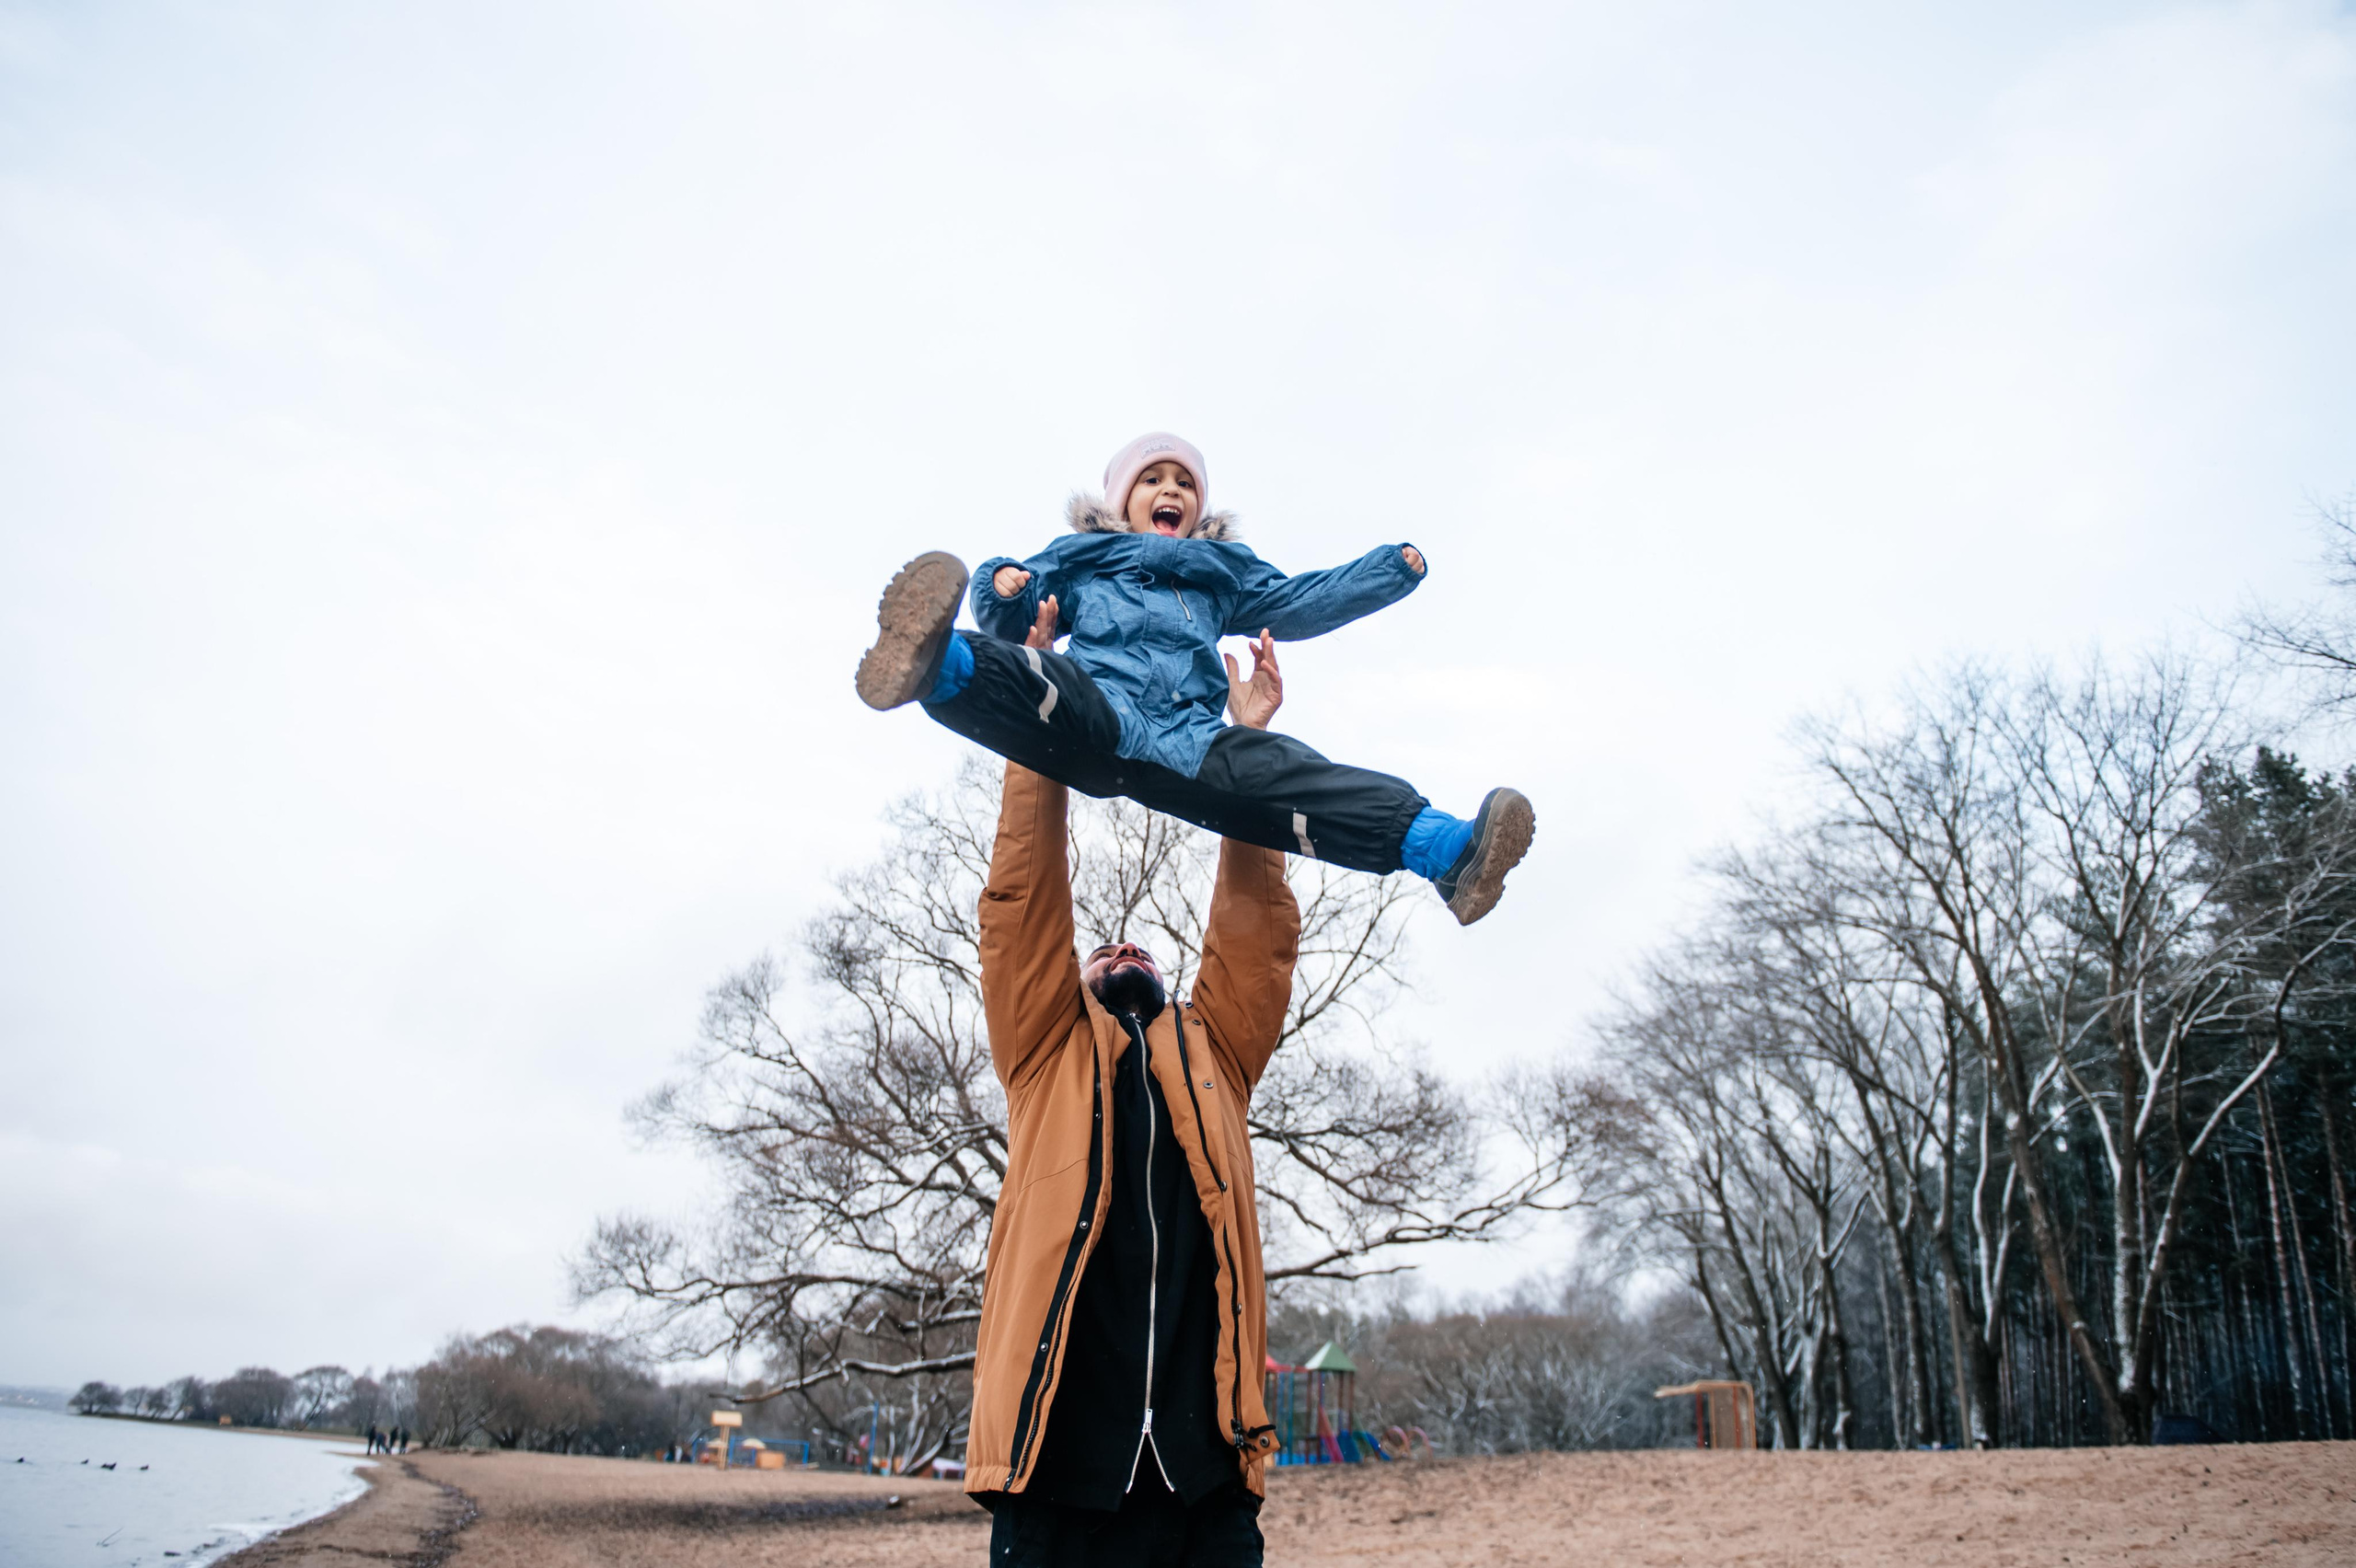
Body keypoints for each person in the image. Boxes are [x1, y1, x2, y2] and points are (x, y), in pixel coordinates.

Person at [855, 432, 1534, 927]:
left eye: (1184, 483)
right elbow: (1019, 608)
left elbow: (1298, 601)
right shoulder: (1086, 557)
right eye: (1153, 479)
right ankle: (932, 661)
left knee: (1291, 771)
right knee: (1039, 679)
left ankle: (1445, 851)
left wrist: (1385, 572)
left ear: (1198, 507)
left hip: (1191, 741)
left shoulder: (1223, 573)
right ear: (1123, 501)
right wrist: (1001, 582)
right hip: (1103, 710)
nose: (1171, 491)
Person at [960, 613, 1299, 1566]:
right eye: (1102, 949)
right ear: (1075, 982)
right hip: (1056, 1476)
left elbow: (1256, 931)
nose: (1122, 947)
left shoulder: (1215, 1055)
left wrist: (1246, 745)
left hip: (1204, 1483)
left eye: (1137, 946)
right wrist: (1035, 707)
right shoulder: (1045, 1053)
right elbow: (1024, 903)